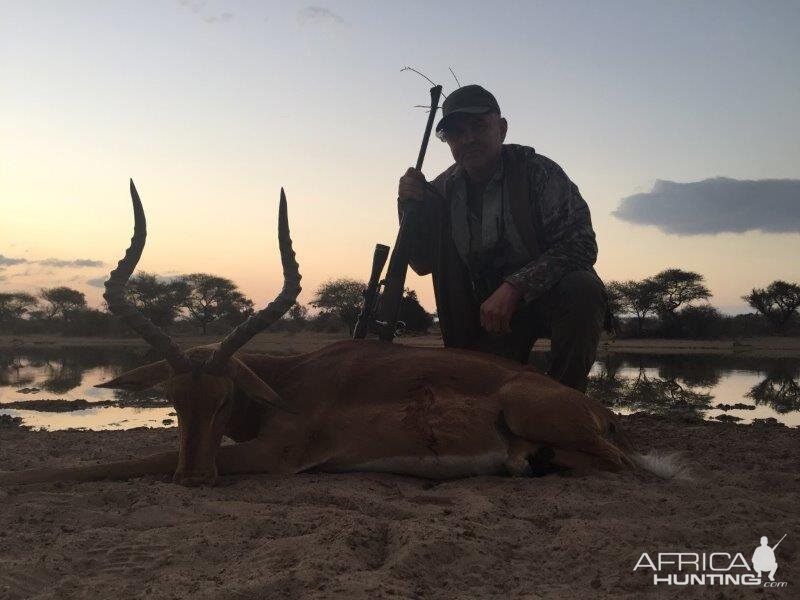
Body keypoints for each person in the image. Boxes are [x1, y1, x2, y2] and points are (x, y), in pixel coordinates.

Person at [397, 84, 608, 393]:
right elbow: (421, 263)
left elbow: (582, 244)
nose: (468, 139)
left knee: (583, 289)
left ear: (502, 128)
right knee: (476, 399)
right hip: (487, 319)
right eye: (456, 133)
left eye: (478, 126)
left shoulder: (540, 172)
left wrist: (514, 287)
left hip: (546, 300)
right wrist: (407, 206)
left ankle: (567, 398)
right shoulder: (441, 189)